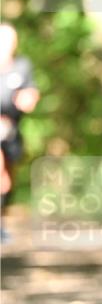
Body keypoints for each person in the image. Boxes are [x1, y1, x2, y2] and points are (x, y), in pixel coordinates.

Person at [0, 23, 40, 241]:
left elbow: (30, 92)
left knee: (8, 180)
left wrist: (28, 98)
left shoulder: (21, 66)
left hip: (12, 130)